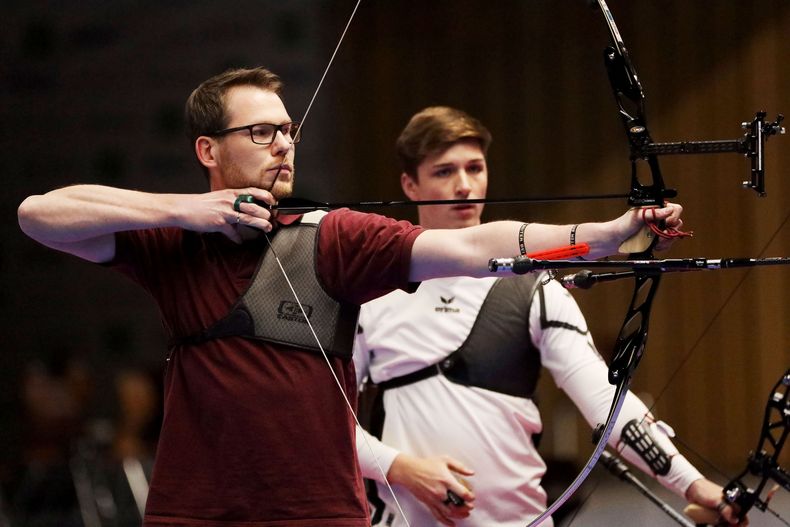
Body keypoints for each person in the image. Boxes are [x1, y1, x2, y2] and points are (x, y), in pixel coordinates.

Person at [17, 68, 685, 527]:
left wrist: (604, 234)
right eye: (260, 132)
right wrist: (190, 211)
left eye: (287, 130)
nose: (282, 144)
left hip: (322, 513)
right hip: (195, 512)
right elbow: (37, 212)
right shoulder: (173, 245)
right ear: (207, 149)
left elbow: (475, 246)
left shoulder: (332, 238)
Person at [353, 106, 746, 527]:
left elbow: (604, 400)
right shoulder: (373, 290)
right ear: (410, 185)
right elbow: (328, 421)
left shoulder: (532, 284)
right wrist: (400, 468)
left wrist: (694, 484)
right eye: (444, 172)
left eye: (475, 168)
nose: (465, 186)